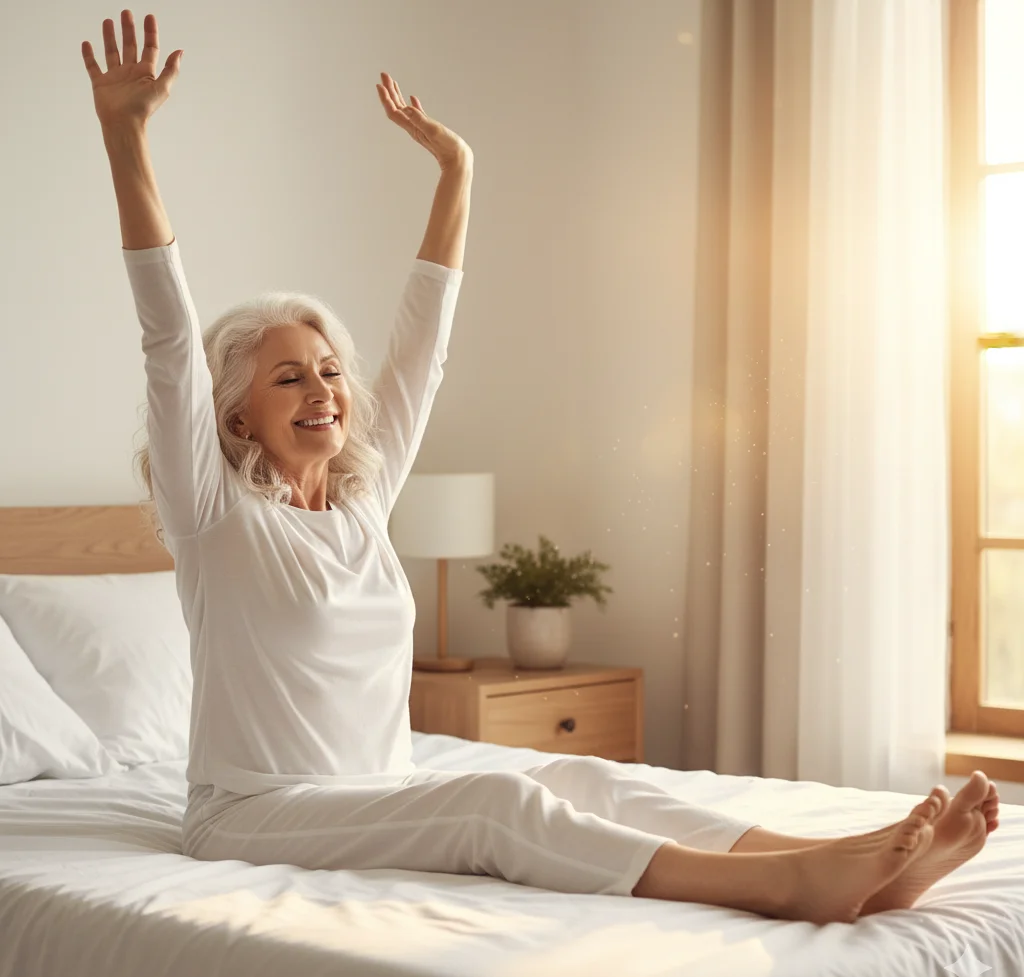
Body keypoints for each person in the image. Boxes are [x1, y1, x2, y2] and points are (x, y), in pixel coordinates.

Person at [81, 10, 1000, 927]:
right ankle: (777, 888)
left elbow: (420, 352)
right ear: (235, 412)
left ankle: (836, 860)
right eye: (288, 377)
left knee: (584, 777)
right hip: (254, 814)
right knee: (496, 802)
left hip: (377, 789)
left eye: (328, 370)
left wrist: (458, 173)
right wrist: (127, 138)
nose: (321, 389)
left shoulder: (362, 505)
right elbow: (167, 337)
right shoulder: (216, 520)